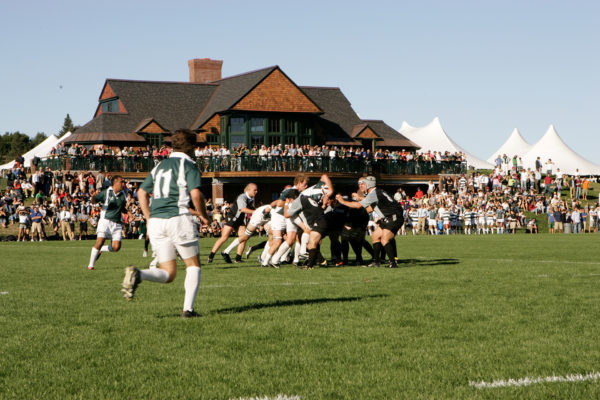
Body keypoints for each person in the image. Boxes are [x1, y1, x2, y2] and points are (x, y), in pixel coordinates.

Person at [121, 128, 210, 318]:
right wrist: (203, 215)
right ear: (192, 147)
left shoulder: (159, 166)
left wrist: (147, 217)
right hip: (178, 218)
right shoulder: (190, 165)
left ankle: (138, 274)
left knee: (169, 273)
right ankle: (188, 310)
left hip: (156, 222)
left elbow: (141, 193)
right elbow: (195, 194)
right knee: (193, 265)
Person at [336, 176, 404, 268]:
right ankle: (376, 262)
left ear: (368, 184)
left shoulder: (373, 193)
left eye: (363, 183)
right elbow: (370, 209)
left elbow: (358, 206)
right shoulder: (377, 192)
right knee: (375, 236)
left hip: (393, 217)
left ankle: (393, 263)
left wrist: (342, 201)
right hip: (389, 217)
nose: (361, 186)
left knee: (385, 239)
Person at [207, 183, 257, 263]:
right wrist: (255, 211)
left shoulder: (251, 198)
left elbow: (250, 208)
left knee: (244, 238)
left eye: (256, 190)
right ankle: (211, 256)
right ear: (248, 190)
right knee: (224, 238)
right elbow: (242, 209)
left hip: (239, 220)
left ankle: (238, 258)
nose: (256, 191)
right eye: (254, 190)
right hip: (232, 218)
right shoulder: (242, 197)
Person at [87, 175, 127, 270]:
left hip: (117, 223)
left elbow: (122, 208)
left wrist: (128, 212)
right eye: (121, 182)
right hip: (105, 221)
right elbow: (93, 201)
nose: (123, 184)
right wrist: (92, 196)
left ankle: (101, 250)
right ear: (115, 183)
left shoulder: (123, 194)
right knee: (100, 241)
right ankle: (91, 265)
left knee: (116, 247)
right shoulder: (106, 193)